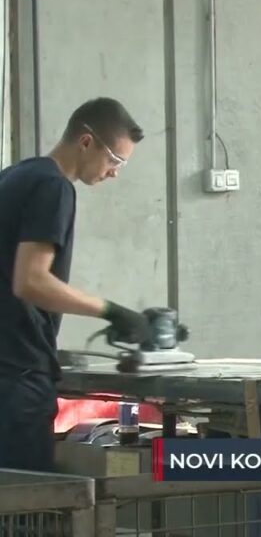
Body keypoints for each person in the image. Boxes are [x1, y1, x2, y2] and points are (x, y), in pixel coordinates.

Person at [0, 97, 152, 473]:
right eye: (115, 160)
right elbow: (30, 281)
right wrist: (111, 311)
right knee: (25, 500)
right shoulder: (54, 187)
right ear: (86, 142)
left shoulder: (12, 177)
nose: (114, 173)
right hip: (17, 379)